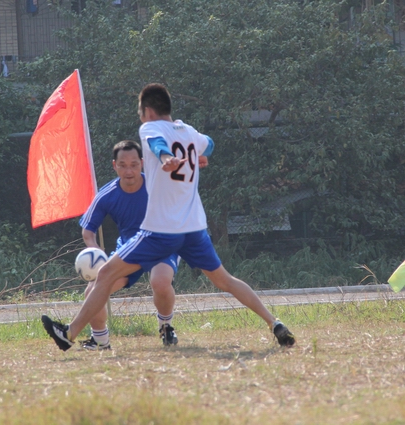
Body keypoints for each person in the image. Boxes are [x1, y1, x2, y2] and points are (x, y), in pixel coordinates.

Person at [42, 83, 295, 351]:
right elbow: (210, 143)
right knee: (225, 280)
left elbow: (157, 143)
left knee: (104, 274)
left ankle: (69, 334)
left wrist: (165, 157)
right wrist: (201, 154)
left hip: (161, 230)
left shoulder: (149, 128)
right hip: (193, 228)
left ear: (148, 111)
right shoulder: (188, 131)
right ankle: (274, 323)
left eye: (141, 112)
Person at [78, 140, 179, 349]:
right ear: (114, 166)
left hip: (161, 244)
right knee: (92, 291)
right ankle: (100, 341)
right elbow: (88, 231)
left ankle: (166, 327)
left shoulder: (157, 186)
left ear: (142, 163)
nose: (129, 171)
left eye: (134, 164)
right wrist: (95, 251)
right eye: (123, 165)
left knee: (160, 281)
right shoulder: (107, 195)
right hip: (129, 249)